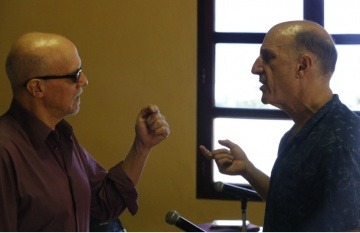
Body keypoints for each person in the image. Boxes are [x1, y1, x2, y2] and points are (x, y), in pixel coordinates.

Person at [200, 20, 360, 231]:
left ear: (302, 66)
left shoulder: (341, 142)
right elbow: (290, 204)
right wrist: (248, 170)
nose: (255, 68)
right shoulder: (299, 132)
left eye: (268, 57)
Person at [0, 32, 170, 231]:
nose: (84, 81)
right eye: (74, 76)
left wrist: (142, 146)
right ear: (37, 88)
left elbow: (104, 204)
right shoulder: (6, 151)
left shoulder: (61, 136)